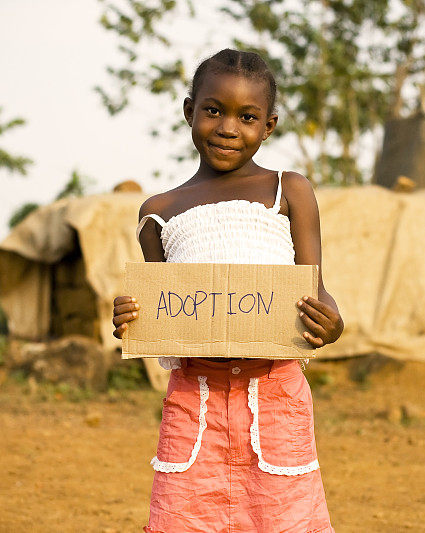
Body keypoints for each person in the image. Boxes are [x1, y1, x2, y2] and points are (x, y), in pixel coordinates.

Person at [112, 48, 344, 533]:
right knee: (184, 517)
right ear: (189, 111)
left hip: (275, 398)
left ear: (270, 125)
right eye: (213, 110)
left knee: (284, 518)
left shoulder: (290, 190)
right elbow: (164, 315)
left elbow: (315, 289)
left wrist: (331, 322)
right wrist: (134, 317)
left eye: (248, 116)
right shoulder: (159, 211)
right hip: (194, 403)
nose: (228, 127)